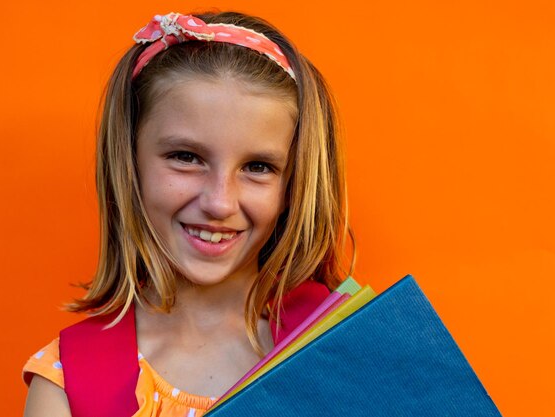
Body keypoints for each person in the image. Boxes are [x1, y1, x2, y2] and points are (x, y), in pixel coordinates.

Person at [23, 10, 351, 417]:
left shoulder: (346, 342)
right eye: (186, 157)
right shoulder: (68, 387)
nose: (220, 202)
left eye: (258, 167)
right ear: (129, 162)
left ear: (293, 184)